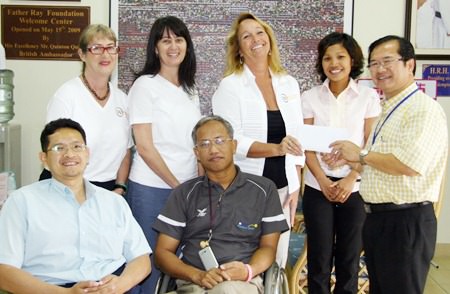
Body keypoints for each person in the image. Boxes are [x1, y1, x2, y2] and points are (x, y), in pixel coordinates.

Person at [330, 35, 448, 294]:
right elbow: (378, 164)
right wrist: (351, 159)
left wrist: (360, 155)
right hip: (378, 219)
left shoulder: (422, 109)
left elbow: (409, 164)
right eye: (374, 63)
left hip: (405, 221)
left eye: (387, 61)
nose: (379, 69)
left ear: (410, 65)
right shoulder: (388, 108)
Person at [0, 118, 151, 293]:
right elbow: (4, 271)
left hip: (111, 287)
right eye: (59, 148)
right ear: (44, 159)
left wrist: (119, 286)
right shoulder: (21, 201)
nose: (69, 154)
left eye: (76, 147)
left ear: (87, 154)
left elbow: (141, 259)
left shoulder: (114, 202)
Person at [153, 115, 289, 293]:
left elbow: (269, 247)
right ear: (197, 153)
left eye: (219, 140)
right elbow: (162, 253)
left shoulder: (263, 189)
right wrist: (196, 275)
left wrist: (248, 271)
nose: (213, 149)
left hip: (241, 283)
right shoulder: (184, 193)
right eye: (205, 144)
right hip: (192, 282)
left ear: (233, 145)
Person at [212, 12, 304, 268]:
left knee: (277, 260)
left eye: (260, 32)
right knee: (247, 260)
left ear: (270, 40)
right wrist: (276, 148)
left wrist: (295, 184)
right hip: (246, 189)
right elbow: (231, 141)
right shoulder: (230, 86)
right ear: (239, 49)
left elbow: (298, 137)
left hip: (283, 190)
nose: (255, 39)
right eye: (246, 36)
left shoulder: (289, 83)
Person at [301, 32, 381, 294]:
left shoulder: (368, 98)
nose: (333, 63)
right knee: (319, 258)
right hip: (317, 186)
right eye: (327, 58)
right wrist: (323, 181)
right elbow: (307, 146)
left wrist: (350, 179)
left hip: (355, 188)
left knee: (349, 258)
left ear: (352, 59)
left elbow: (370, 145)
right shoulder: (310, 97)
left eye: (340, 57)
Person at [127, 16, 202, 292]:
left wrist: (196, 186)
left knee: (173, 265)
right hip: (152, 188)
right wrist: (176, 186)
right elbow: (145, 146)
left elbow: (195, 144)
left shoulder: (190, 89)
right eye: (166, 40)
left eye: (179, 39)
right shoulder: (145, 86)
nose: (173, 46)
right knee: (147, 262)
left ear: (187, 46)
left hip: (184, 189)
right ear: (155, 48)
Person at [43, 24, 132, 195]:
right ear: (82, 55)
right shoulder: (66, 96)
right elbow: (54, 149)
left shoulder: (122, 99)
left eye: (111, 48)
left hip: (110, 190)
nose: (105, 54)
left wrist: (120, 187)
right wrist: (75, 192)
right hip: (66, 188)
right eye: (96, 48)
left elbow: (126, 150)